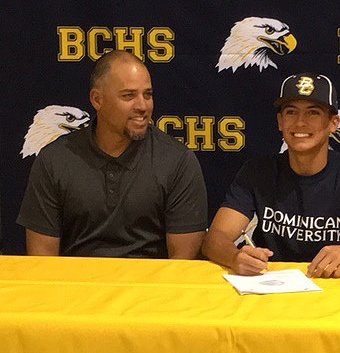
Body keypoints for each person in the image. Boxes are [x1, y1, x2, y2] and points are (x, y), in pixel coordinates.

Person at [203, 72, 340, 277]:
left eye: (313, 113)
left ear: (333, 123)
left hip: (334, 288)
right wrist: (235, 257)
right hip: (269, 287)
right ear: (280, 122)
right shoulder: (258, 171)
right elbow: (215, 238)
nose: (300, 122)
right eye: (291, 112)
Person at [18, 50, 208, 258]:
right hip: (77, 287)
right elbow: (42, 260)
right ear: (97, 99)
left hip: (151, 289)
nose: (142, 106)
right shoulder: (54, 160)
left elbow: (184, 266)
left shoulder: (177, 161)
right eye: (128, 96)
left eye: (148, 94)